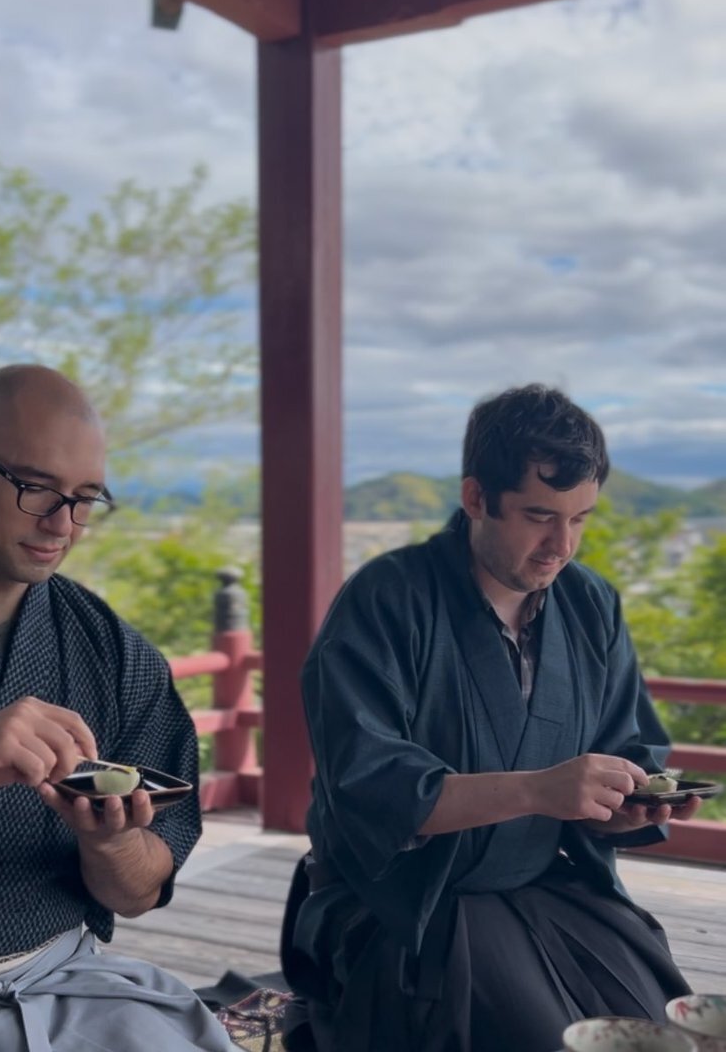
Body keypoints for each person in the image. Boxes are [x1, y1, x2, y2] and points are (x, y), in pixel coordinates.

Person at [280, 384, 700, 1052]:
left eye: (580, 519)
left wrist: (621, 808)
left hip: (543, 883)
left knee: (663, 1033)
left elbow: (624, 747)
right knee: (551, 1041)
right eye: (538, 516)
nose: (561, 545)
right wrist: (538, 789)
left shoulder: (590, 604)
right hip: (407, 904)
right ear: (476, 497)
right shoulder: (386, 599)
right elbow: (371, 789)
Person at [0, 364, 236, 1052]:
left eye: (85, 498)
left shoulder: (116, 654)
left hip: (61, 983)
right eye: (35, 487)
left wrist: (112, 843)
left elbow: (137, 894)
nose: (61, 523)